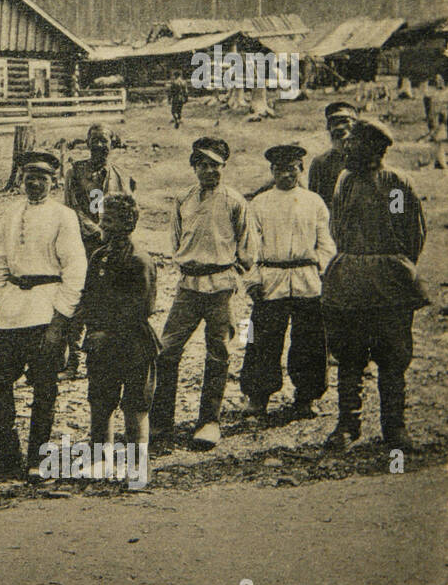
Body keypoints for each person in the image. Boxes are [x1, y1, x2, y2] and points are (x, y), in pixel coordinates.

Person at [0, 152, 86, 476]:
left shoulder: (64, 216)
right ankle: (6, 451)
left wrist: (60, 320)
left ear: (54, 180)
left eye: (42, 177)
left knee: (44, 385)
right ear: (21, 178)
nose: (34, 183)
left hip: (45, 309)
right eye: (29, 176)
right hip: (11, 308)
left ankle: (37, 458)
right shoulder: (10, 213)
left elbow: (75, 270)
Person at [322, 119, 427, 451]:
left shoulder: (395, 184)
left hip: (389, 281)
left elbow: (410, 233)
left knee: (393, 356)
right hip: (350, 277)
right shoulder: (346, 182)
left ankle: (394, 428)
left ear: (375, 148)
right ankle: (347, 426)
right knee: (350, 354)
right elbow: (337, 227)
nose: (348, 148)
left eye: (355, 143)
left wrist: (394, 266)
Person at [151, 137, 251, 451]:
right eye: (203, 165)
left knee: (218, 352)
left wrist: (232, 275)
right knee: (167, 349)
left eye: (215, 165)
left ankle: (209, 420)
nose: (209, 171)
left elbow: (247, 249)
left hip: (220, 286)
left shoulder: (235, 201)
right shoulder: (184, 199)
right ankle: (160, 418)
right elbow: (177, 240)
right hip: (188, 287)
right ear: (194, 167)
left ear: (224, 166)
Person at [240, 144, 336, 420]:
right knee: (262, 340)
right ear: (272, 172)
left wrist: (321, 271)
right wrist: (253, 280)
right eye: (279, 170)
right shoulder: (259, 203)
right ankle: (258, 396)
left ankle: (307, 396)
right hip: (271, 279)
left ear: (301, 169)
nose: (285, 175)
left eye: (291, 169)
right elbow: (250, 248)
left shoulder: (314, 202)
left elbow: (325, 242)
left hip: (307, 279)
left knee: (310, 340)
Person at [76, 193, 158, 478]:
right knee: (100, 401)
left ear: (128, 223)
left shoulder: (139, 261)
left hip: (133, 343)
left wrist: (107, 333)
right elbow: (88, 298)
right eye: (102, 219)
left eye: (110, 220)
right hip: (101, 343)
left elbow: (141, 309)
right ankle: (100, 463)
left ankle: (138, 468)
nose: (103, 226)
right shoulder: (99, 257)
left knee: (135, 406)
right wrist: (88, 331)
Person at [63, 124, 136, 375]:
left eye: (104, 141)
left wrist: (117, 235)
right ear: (87, 143)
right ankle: (71, 359)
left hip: (112, 247)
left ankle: (107, 357)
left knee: (110, 298)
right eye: (94, 140)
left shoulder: (120, 176)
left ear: (112, 144)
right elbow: (71, 207)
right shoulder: (75, 172)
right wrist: (95, 230)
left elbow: (129, 209)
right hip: (84, 246)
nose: (100, 146)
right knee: (79, 299)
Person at [309, 102, 358, 208]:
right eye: (334, 123)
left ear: (355, 125)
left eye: (345, 121)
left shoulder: (366, 159)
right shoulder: (320, 163)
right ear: (328, 128)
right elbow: (314, 202)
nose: (339, 127)